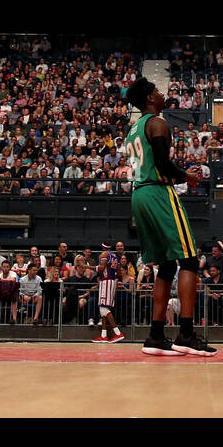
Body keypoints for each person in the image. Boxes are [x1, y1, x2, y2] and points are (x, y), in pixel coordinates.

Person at [124, 77, 216, 356]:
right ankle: (186, 334)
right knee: (188, 259)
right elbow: (163, 164)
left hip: (139, 194)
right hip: (158, 192)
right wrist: (187, 175)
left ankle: (155, 335)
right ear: (150, 99)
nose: (163, 95)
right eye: (158, 91)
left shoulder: (133, 129)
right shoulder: (157, 122)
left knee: (165, 266)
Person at [91, 247, 125, 343]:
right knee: (104, 309)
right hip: (111, 281)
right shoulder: (114, 256)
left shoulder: (104, 255)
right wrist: (117, 280)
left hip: (106, 282)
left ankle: (118, 333)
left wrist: (84, 266)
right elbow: (119, 271)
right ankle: (104, 335)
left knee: (103, 308)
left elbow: (101, 268)